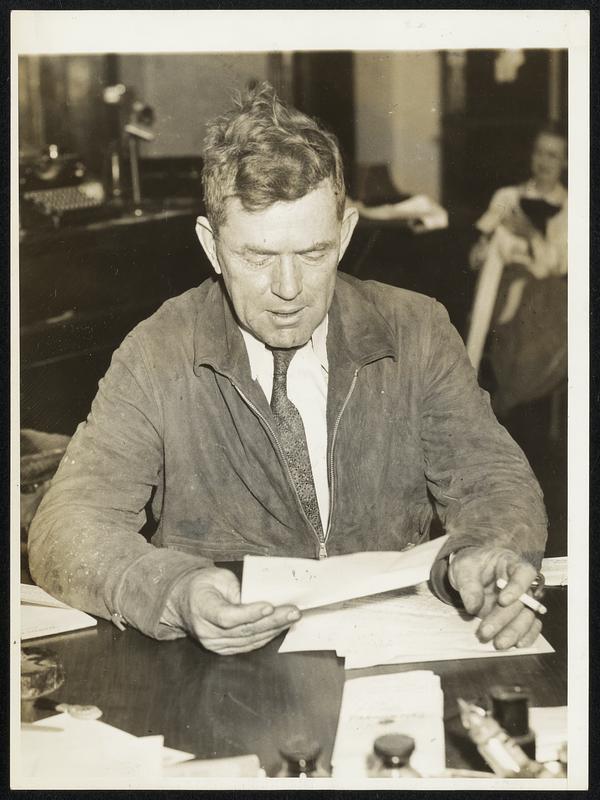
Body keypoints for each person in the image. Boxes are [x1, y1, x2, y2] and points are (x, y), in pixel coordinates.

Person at [29, 83, 547, 657]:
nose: (288, 290)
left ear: (346, 234)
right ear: (212, 246)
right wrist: (174, 590)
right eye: (257, 257)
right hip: (224, 678)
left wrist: (491, 551)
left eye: (313, 253)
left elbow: (493, 477)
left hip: (390, 657)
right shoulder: (157, 353)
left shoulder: (415, 330)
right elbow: (66, 527)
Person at [468, 122, 568, 416]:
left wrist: (530, 235)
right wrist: (480, 250)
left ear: (564, 162)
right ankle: (499, 390)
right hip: (499, 284)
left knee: (550, 299)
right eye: (539, 152)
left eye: (553, 155)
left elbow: (557, 265)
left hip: (542, 292)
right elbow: (480, 254)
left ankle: (510, 395)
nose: (544, 161)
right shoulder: (506, 197)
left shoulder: (572, 208)